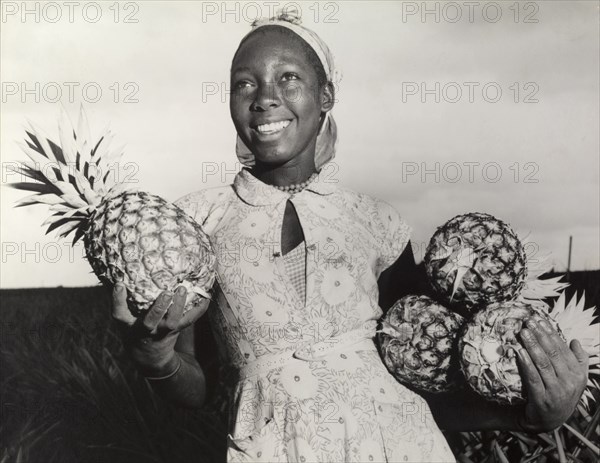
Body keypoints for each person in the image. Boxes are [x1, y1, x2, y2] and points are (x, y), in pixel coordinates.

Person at [111, 12, 589, 463]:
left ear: (325, 96)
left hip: (403, 445)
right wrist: (155, 357)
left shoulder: (375, 220)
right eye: (245, 83)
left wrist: (534, 414)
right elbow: (201, 388)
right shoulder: (196, 221)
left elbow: (424, 376)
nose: (264, 97)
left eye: (289, 78)